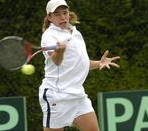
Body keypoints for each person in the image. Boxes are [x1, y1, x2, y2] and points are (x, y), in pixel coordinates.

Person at [39, 0, 120, 131]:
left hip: (77, 95)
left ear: (68, 13)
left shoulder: (75, 33)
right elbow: (56, 61)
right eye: (57, 14)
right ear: (49, 17)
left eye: (64, 13)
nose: (62, 17)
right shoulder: (49, 36)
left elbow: (80, 64)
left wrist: (99, 63)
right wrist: (60, 51)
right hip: (56, 95)